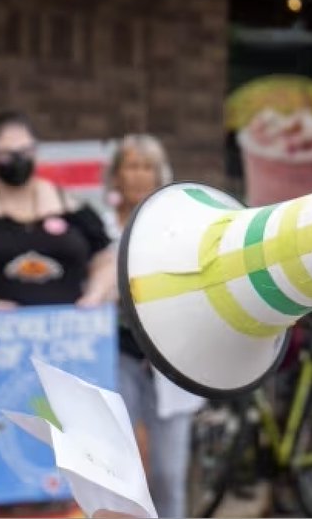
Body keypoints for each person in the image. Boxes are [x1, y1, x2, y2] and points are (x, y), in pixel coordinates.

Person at [0, 111, 113, 518]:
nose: (16, 160)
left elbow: (106, 254)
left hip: (66, 357)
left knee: (60, 461)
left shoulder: (66, 203)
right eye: (5, 153)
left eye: (25, 152)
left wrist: (95, 293)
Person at [103, 134, 203, 519]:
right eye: (131, 166)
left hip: (170, 361)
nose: (139, 175)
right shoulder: (99, 226)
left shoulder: (178, 225)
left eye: (147, 167)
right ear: (116, 175)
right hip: (119, 353)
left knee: (167, 472)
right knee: (116, 465)